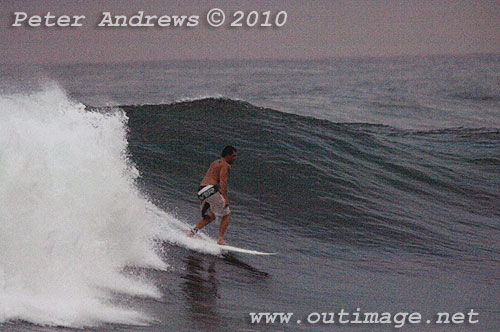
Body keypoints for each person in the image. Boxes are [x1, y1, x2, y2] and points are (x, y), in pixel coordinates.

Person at [188, 146, 237, 245]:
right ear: (228, 156)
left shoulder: (215, 162)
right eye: (233, 156)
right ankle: (220, 239)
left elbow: (214, 180)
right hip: (210, 190)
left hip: (201, 191)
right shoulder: (225, 165)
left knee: (210, 217)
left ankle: (191, 233)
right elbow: (223, 182)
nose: (235, 158)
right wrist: (226, 199)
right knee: (227, 214)